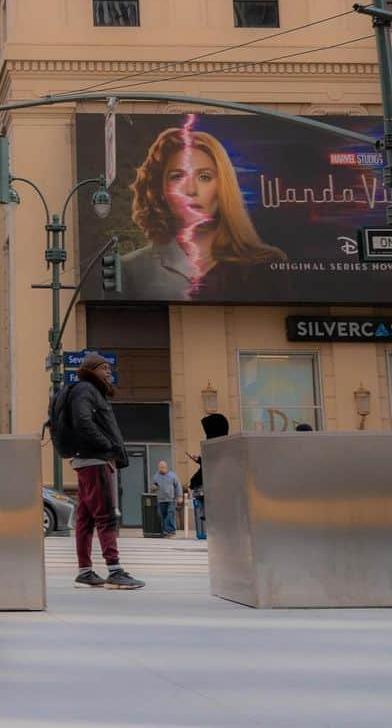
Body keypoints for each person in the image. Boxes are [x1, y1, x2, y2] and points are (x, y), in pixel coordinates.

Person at [121, 125, 286, 301]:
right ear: (161, 190)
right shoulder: (130, 269)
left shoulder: (265, 263)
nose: (191, 190)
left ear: (223, 187)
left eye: (204, 177)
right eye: (177, 176)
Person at [68, 352, 145, 589]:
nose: (110, 373)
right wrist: (106, 446)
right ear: (92, 371)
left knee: (86, 517)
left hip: (87, 460)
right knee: (105, 515)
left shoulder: (86, 390)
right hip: (95, 461)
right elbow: (83, 421)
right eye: (105, 368)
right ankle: (115, 570)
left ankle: (85, 571)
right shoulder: (87, 390)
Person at [187, 412, 229, 541]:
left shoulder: (216, 446)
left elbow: (213, 466)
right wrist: (200, 460)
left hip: (216, 493)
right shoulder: (221, 446)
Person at [150, 460, 183, 538]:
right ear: (158, 468)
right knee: (163, 516)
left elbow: (178, 486)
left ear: (166, 467)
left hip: (171, 499)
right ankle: (165, 532)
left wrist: (180, 496)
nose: (161, 469)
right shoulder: (156, 476)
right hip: (161, 500)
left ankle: (171, 532)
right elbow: (152, 487)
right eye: (160, 467)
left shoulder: (172, 476)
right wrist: (153, 488)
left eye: (163, 467)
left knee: (170, 515)